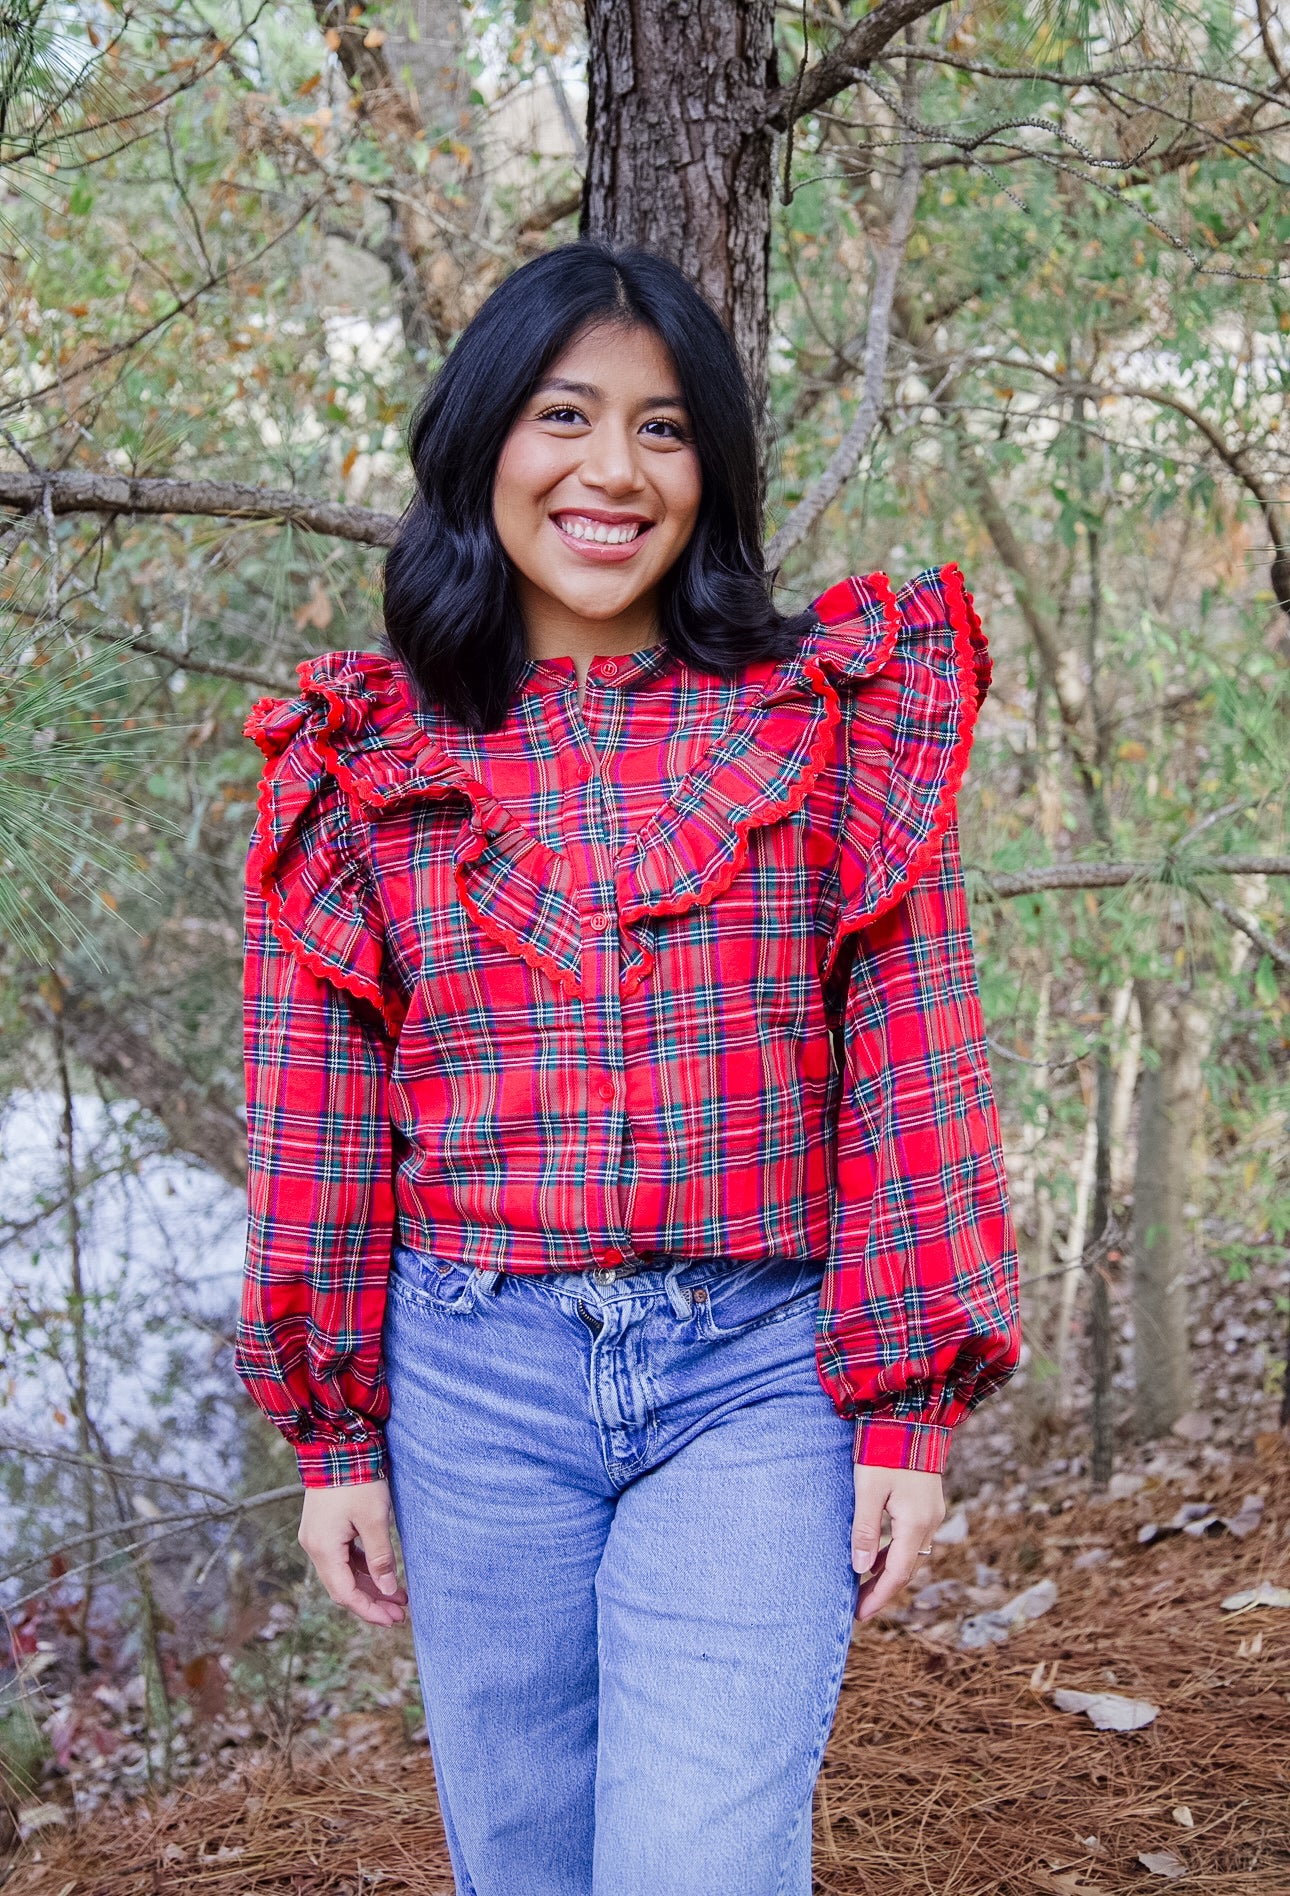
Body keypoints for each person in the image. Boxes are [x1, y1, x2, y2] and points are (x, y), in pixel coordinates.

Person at [235, 240, 1020, 1896]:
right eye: (563, 416)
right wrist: (333, 1442)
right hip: (472, 1387)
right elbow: (313, 1120)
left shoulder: (831, 715)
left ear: (709, 469)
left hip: (757, 1377)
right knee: (523, 1862)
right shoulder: (362, 749)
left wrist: (907, 1413)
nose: (612, 471)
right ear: (480, 442)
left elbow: (914, 1067)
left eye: (662, 429)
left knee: (698, 1865)